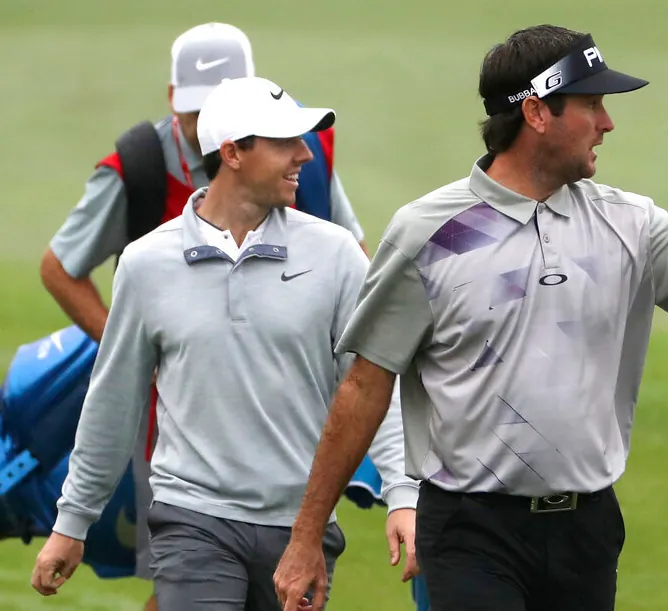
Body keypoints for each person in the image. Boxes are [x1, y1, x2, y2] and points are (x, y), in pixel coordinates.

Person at [271, 24, 668, 611]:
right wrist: (305, 539)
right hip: (468, 531)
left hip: (587, 531)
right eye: (592, 104)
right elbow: (364, 386)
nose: (607, 123)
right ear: (536, 112)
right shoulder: (428, 233)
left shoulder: (634, 225)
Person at [30, 76, 419, 610]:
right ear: (232, 153)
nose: (305, 155)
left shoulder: (336, 256)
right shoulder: (146, 264)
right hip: (191, 520)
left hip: (301, 527)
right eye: (284, 142)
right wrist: (72, 522)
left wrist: (402, 492)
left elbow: (372, 386)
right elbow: (113, 401)